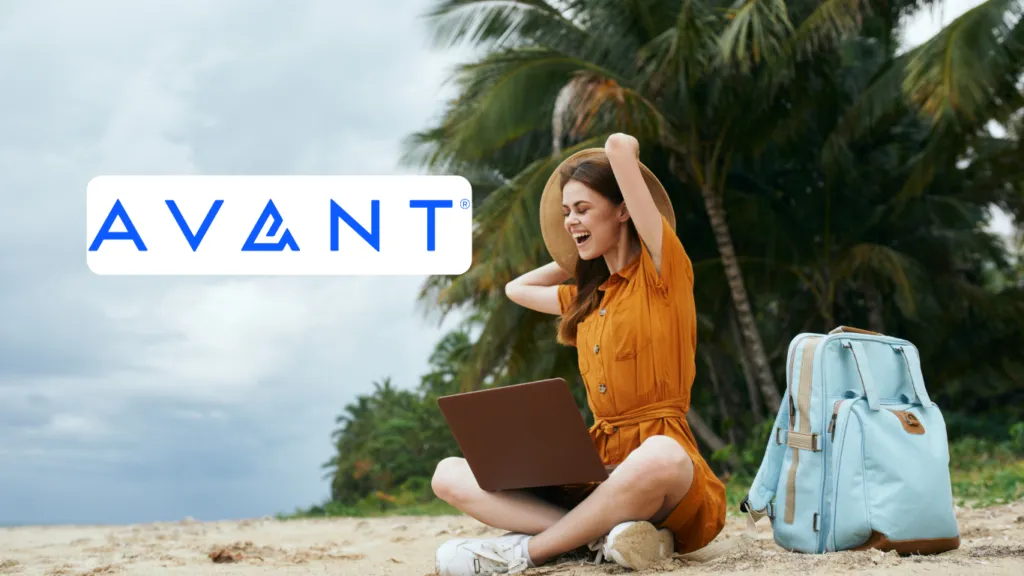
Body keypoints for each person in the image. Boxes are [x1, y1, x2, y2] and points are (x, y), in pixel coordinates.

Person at [430, 133, 727, 575]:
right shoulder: (586, 298)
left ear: (624, 208)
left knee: (660, 454)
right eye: (566, 212)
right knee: (448, 473)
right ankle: (601, 538)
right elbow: (517, 289)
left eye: (583, 209)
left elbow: (619, 148)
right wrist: (575, 253)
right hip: (594, 469)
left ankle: (528, 552)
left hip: (660, 475)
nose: (570, 220)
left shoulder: (664, 274)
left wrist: (614, 159)